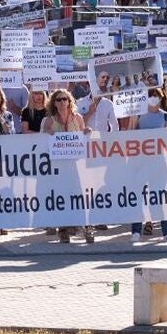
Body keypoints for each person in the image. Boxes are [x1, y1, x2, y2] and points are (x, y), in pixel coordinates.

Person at [43, 90, 94, 244]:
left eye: (65, 99)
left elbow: (82, 136)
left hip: (75, 166)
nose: (62, 102)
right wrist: (47, 133)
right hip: (58, 167)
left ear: (69, 101)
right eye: (58, 100)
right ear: (54, 103)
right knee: (61, 198)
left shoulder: (77, 118)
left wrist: (86, 131)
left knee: (79, 196)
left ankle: (86, 228)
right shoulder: (49, 121)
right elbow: (43, 141)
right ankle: (63, 230)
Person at [129, 90, 167, 243]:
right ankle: (136, 231)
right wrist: (132, 121)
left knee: (160, 198)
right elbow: (130, 136)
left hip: (160, 163)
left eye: (155, 96)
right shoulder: (138, 116)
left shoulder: (166, 116)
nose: (153, 99)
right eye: (150, 96)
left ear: (161, 98)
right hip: (141, 163)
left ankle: (166, 232)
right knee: (138, 197)